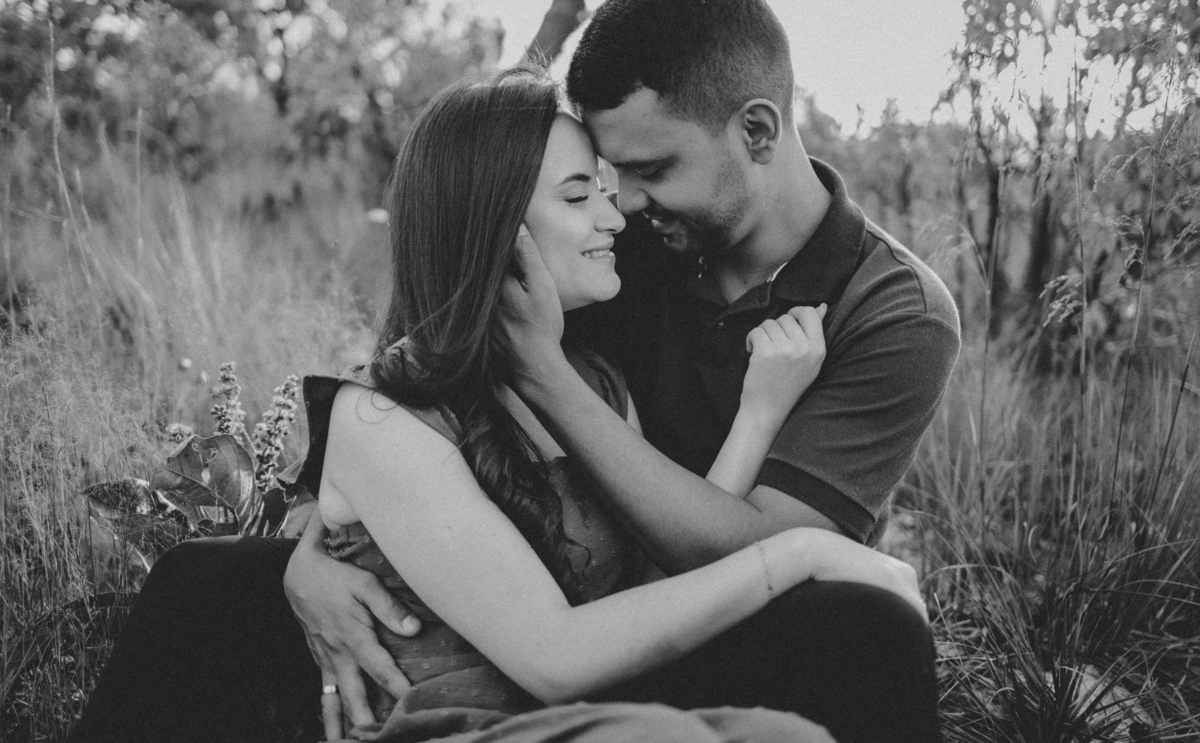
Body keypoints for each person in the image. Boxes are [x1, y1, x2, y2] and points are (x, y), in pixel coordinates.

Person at [71, 69, 918, 743]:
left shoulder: (595, 383)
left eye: (607, 188)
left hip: (589, 713)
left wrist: (757, 418)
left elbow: (666, 580)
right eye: (579, 196)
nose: (617, 216)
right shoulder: (384, 419)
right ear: (497, 230)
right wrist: (797, 552)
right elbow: (555, 656)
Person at [286, 0, 958, 743]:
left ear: (756, 131)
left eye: (648, 171)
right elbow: (416, 404)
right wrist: (307, 555)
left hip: (734, 631)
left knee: (849, 654)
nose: (624, 207)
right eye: (600, 183)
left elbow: (757, 547)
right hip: (559, 660)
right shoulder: (616, 253)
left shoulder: (893, 310)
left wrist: (552, 375)